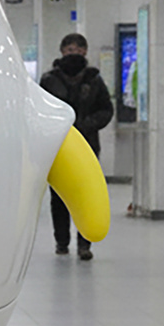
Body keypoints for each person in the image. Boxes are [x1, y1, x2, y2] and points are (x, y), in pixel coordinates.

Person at [39, 33, 114, 260]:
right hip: (58, 146)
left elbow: (106, 110)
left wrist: (87, 124)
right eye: (71, 49)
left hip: (88, 145)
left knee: (86, 193)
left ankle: (85, 245)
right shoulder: (49, 79)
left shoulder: (94, 80)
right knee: (59, 196)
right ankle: (61, 241)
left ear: (86, 52)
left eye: (80, 50)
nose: (75, 54)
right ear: (62, 51)